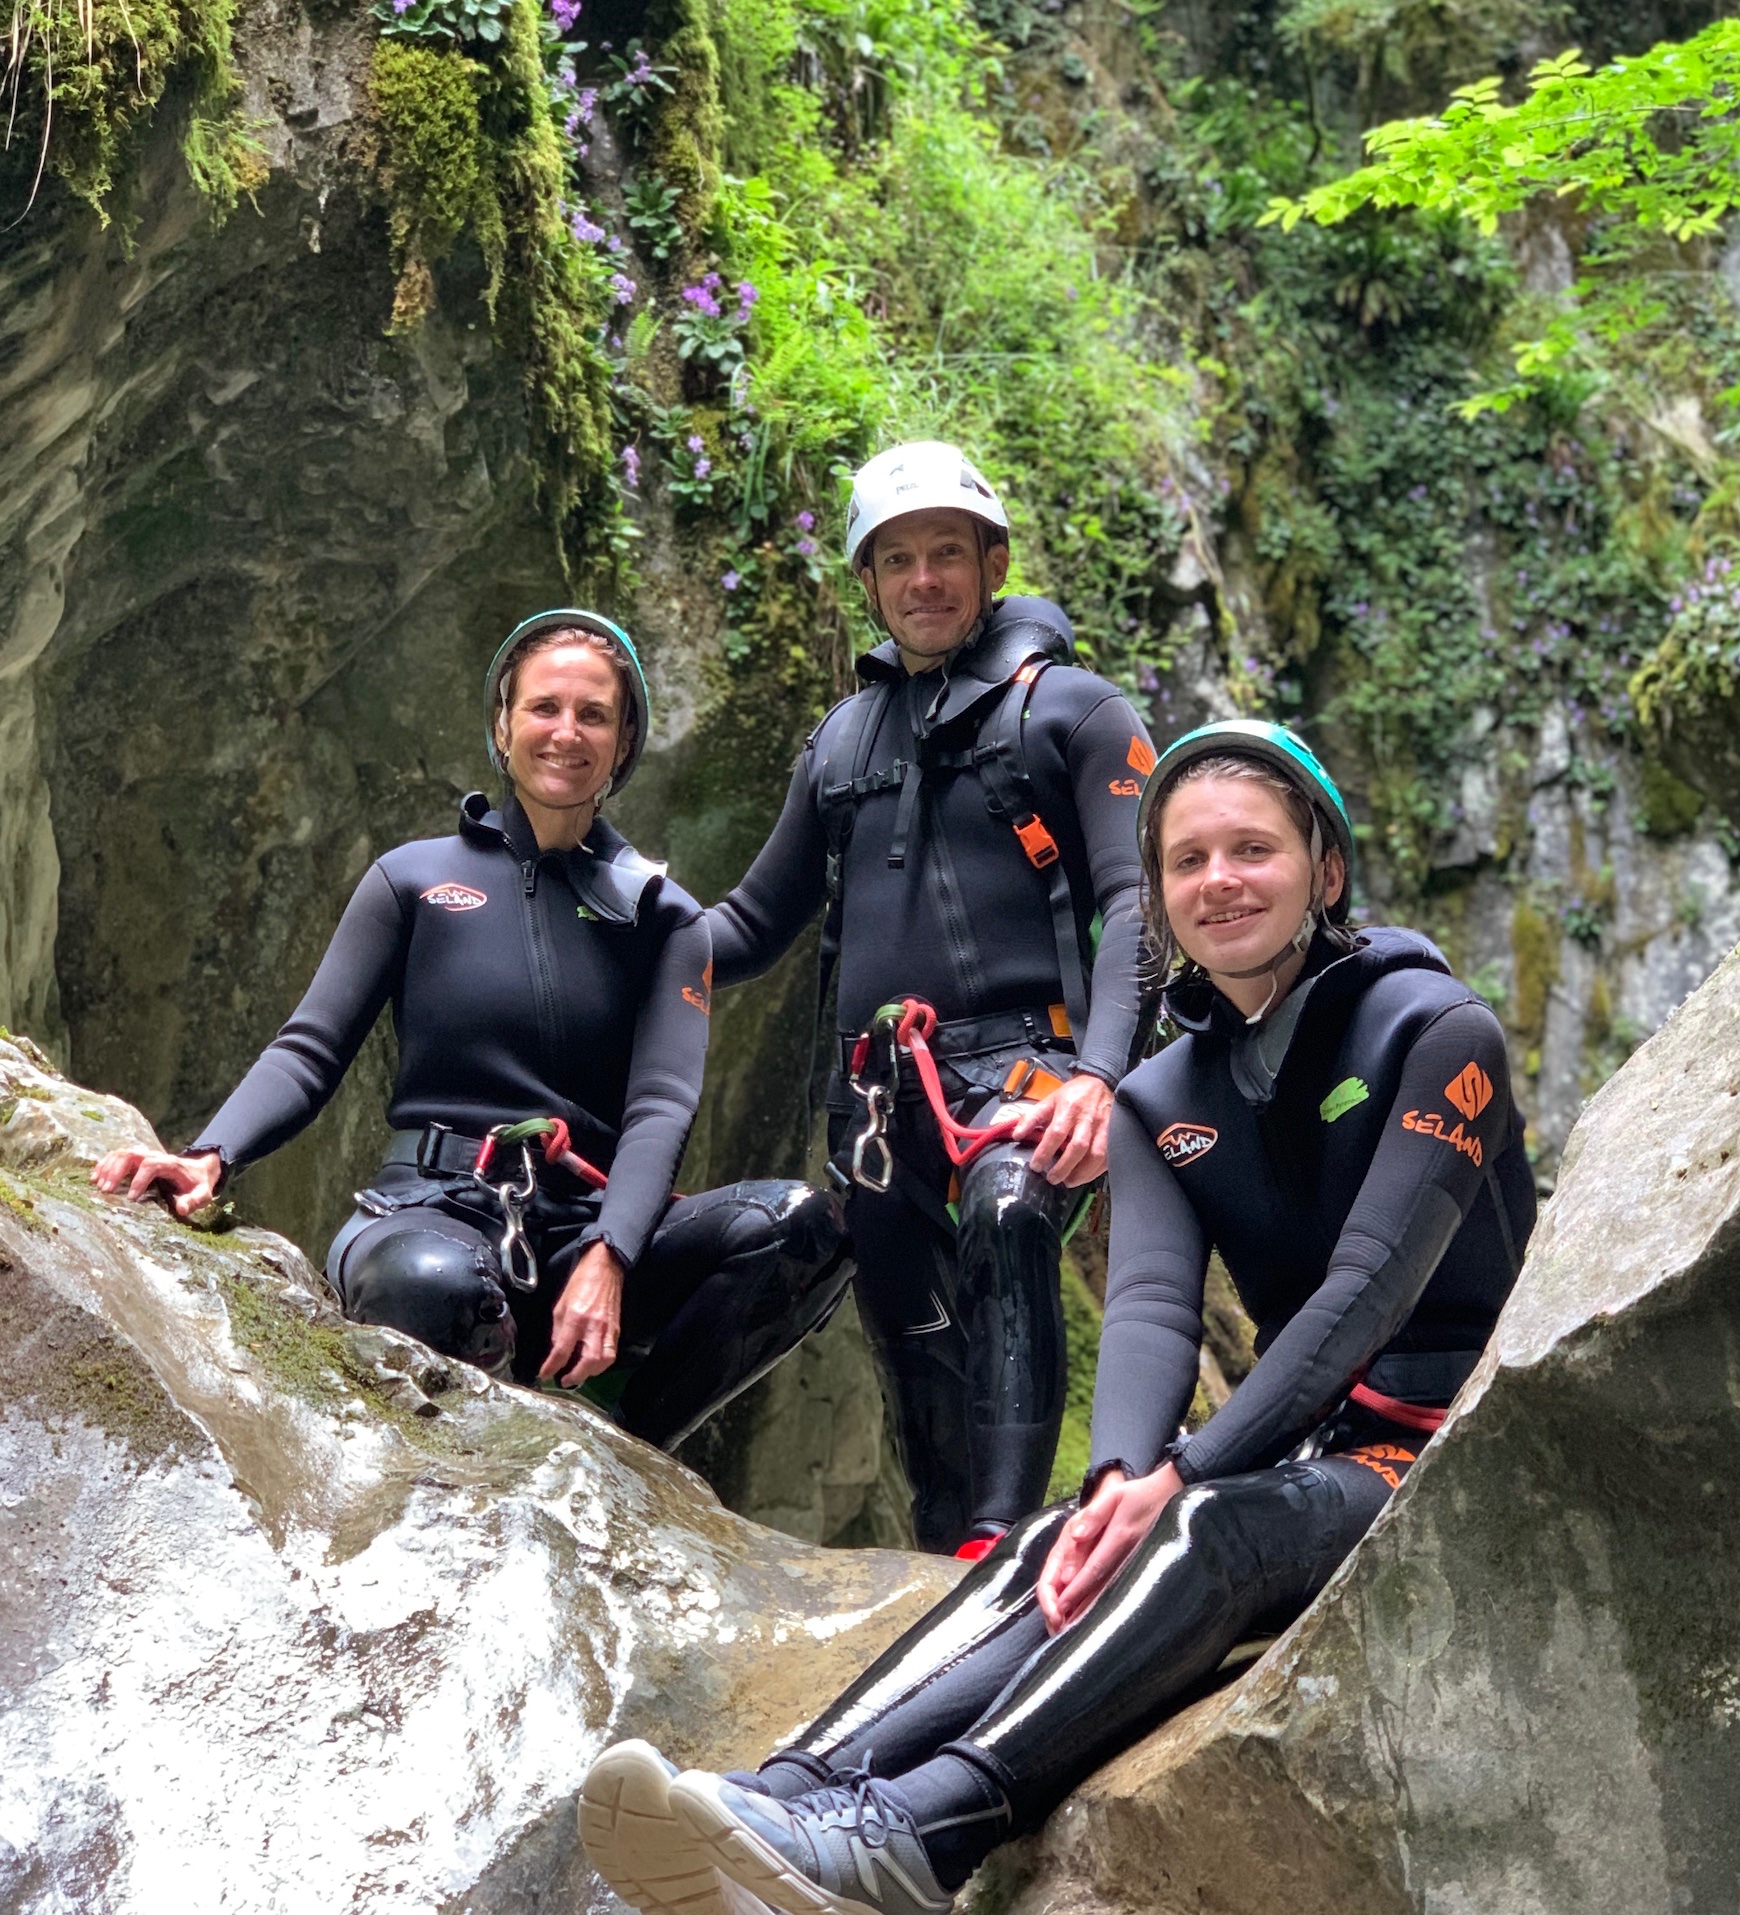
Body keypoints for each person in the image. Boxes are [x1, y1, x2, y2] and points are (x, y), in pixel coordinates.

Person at [575, 718, 1537, 1915]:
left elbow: (1369, 1287)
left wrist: (1182, 1473)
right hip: (1311, 1448)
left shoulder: (1438, 1031)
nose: (1219, 882)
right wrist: (1121, 1473)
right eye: (1187, 861)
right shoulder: (1162, 1092)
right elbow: (1144, 1304)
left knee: (1198, 1529)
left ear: (1325, 870)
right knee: (1062, 1536)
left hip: (1455, 1446)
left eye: (1253, 850)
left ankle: (918, 1838)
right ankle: (779, 1807)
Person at [93, 610, 851, 1449]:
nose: (567, 733)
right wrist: (210, 1153)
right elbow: (310, 1048)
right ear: (503, 722)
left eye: (593, 715)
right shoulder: (413, 879)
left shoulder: (663, 918)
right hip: (427, 1210)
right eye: (543, 708)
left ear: (624, 739)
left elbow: (662, 1107)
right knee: (433, 1282)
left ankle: (628, 1455)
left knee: (801, 1226)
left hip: (579, 1232)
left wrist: (612, 1251)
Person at [703, 442, 1157, 1554]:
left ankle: (1003, 1542)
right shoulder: (840, 743)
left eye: (947, 553)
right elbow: (751, 926)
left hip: (1030, 1068)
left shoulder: (1076, 715)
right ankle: (942, 1557)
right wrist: (622, 934)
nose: (923, 580)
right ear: (866, 582)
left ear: (992, 563)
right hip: (877, 1099)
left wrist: (1102, 1079)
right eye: (896, 559)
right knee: (907, 1324)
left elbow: (1140, 907)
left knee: (1008, 1217)